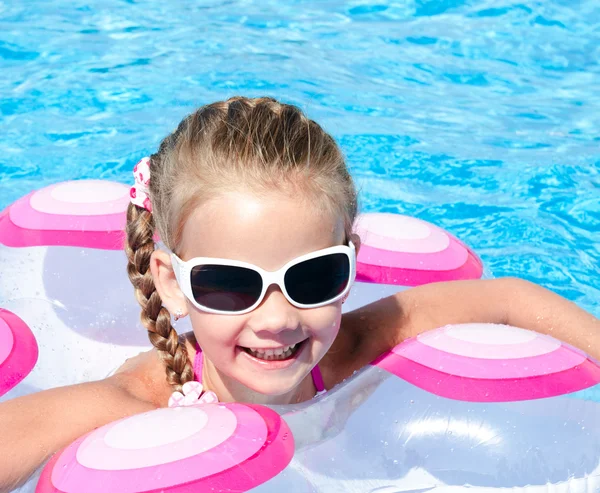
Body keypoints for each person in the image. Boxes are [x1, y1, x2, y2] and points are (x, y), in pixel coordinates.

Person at [0, 96, 598, 492]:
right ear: (172, 284)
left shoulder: (356, 346)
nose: (279, 319)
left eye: (313, 277)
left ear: (352, 264)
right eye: (230, 284)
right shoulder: (133, 407)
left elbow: (509, 298)